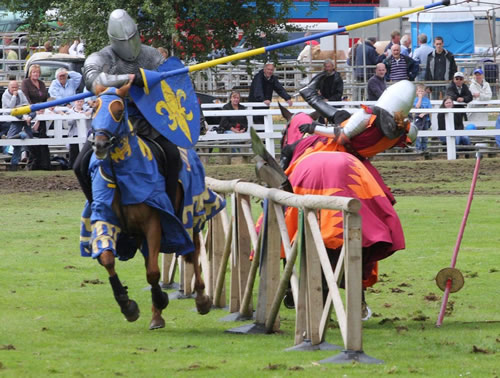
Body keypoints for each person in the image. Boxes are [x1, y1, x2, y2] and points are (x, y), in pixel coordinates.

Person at [75, 9, 182, 205]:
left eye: (131, 38)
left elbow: (171, 86)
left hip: (147, 120)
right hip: (112, 122)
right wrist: (130, 79)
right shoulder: (102, 57)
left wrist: (148, 80)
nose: (128, 44)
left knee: (173, 156)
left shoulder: (153, 56)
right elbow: (94, 79)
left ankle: (169, 210)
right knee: (80, 166)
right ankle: (95, 206)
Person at [21, 64, 51, 170]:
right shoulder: (25, 83)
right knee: (32, 136)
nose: (36, 74)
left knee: (43, 135)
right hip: (31, 112)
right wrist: (34, 109)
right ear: (30, 73)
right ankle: (32, 162)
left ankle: (44, 163)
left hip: (42, 112)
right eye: (34, 72)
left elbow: (45, 97)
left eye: (37, 72)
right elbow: (25, 98)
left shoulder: (42, 84)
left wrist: (44, 107)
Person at [1, 80, 34, 170]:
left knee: (21, 139)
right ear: (8, 88)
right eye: (13, 87)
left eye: (16, 87)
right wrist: (15, 96)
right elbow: (11, 108)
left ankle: (15, 164)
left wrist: (21, 110)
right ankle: (20, 157)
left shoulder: (21, 93)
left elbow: (26, 104)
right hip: (10, 120)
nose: (15, 89)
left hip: (21, 118)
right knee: (21, 137)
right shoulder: (5, 95)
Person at [412, 84, 432, 152]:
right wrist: (420, 98)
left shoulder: (427, 100)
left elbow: (430, 109)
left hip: (426, 119)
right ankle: (418, 148)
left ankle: (424, 148)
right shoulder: (415, 99)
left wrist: (424, 113)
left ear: (425, 92)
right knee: (417, 134)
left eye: (422, 91)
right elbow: (417, 106)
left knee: (425, 135)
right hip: (418, 119)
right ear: (416, 92)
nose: (421, 93)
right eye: (419, 91)